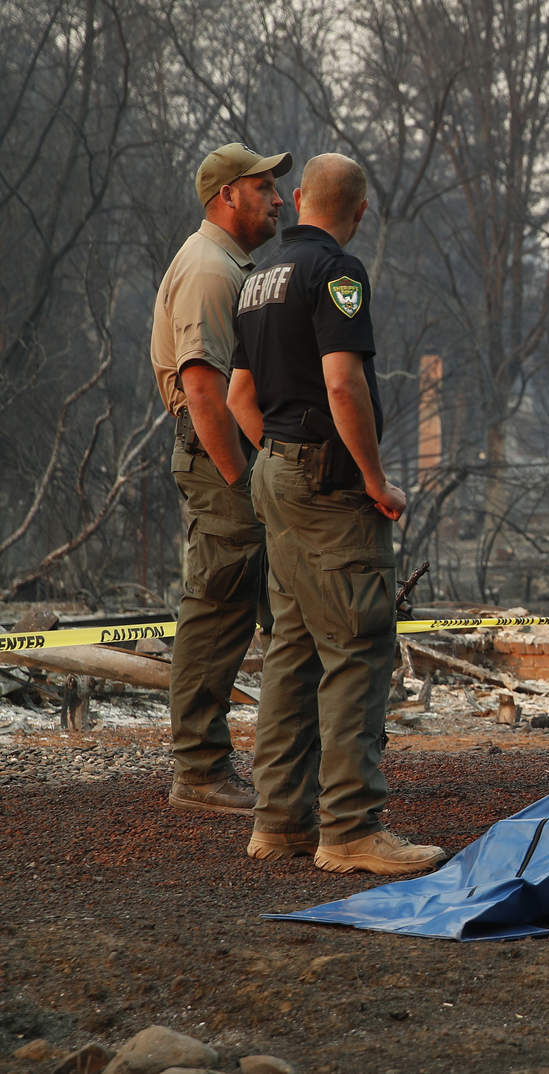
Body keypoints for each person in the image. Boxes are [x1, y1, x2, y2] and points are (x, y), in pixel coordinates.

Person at [228, 153, 445, 874]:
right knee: (357, 644)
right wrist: (376, 480)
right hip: (331, 485)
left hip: (276, 474)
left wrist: (279, 458)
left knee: (291, 648)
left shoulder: (257, 279)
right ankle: (351, 828)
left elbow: (237, 397)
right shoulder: (339, 273)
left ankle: (280, 821)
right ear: (359, 209)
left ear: (295, 199)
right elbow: (343, 384)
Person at [150, 142, 292, 815]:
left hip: (228, 455)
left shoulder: (225, 264)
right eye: (264, 187)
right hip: (221, 458)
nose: (278, 199)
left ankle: (279, 768)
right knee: (217, 609)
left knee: (245, 605)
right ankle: (200, 772)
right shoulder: (210, 271)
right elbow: (204, 393)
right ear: (228, 194)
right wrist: (244, 482)